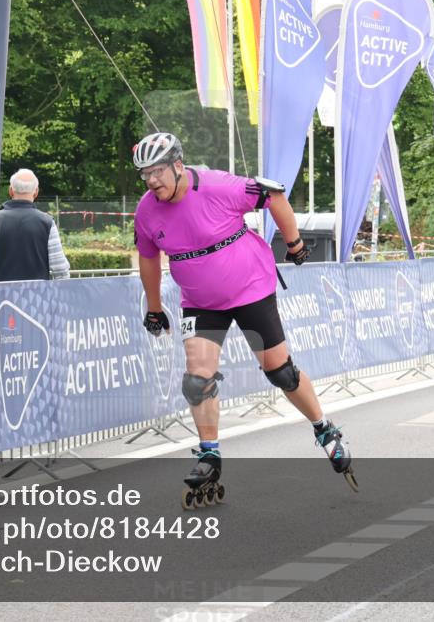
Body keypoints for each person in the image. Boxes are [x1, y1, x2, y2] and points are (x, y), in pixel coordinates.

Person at [131, 132, 355, 508]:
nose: (152, 182)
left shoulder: (218, 186)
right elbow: (149, 260)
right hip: (201, 301)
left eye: (157, 172)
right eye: (144, 175)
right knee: (197, 377)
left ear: (178, 166)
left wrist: (295, 242)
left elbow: (274, 195)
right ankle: (209, 455)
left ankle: (323, 428)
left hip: (251, 287)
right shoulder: (146, 210)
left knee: (279, 372)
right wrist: (154, 308)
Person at [0, 169, 70, 282]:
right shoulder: (47, 223)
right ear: (36, 192)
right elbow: (60, 270)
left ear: (11, 191)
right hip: (35, 297)